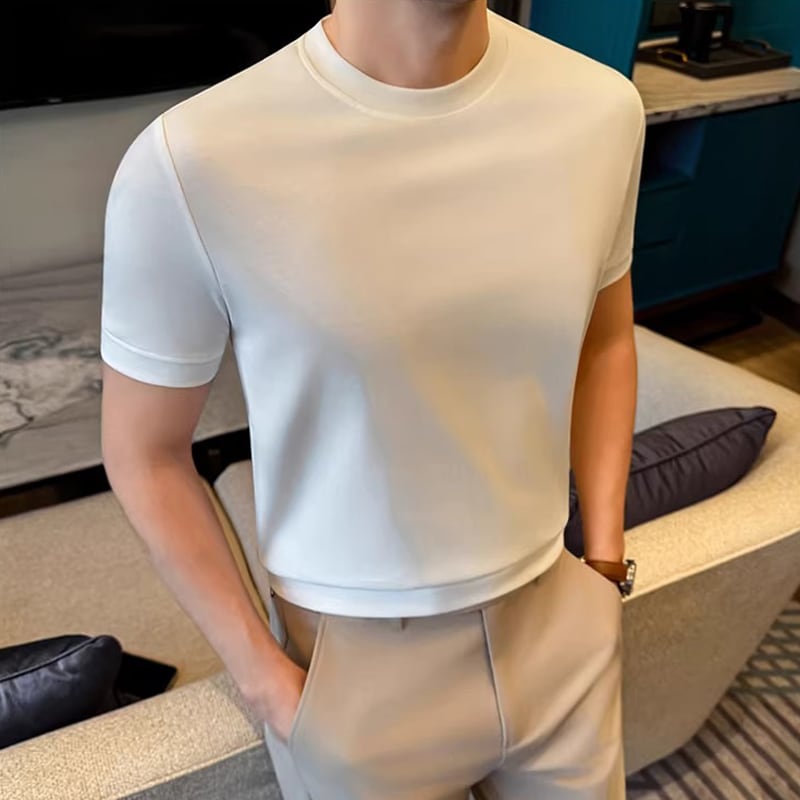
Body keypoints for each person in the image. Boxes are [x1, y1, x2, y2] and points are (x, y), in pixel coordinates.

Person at [100, 0, 644, 797]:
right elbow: (143, 452)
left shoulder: (600, 110)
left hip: (560, 623)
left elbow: (606, 339)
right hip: (353, 671)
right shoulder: (193, 159)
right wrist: (265, 681)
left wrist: (603, 564)